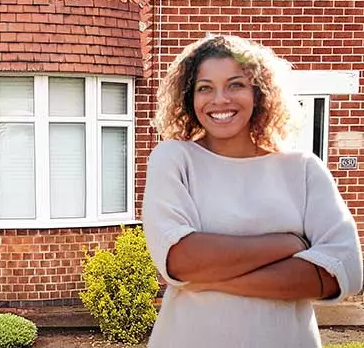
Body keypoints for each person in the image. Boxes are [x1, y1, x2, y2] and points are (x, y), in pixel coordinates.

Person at [143, 34, 363, 348]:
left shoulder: (302, 169)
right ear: (189, 97)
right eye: (205, 87)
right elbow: (180, 260)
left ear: (258, 93)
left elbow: (343, 272)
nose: (220, 99)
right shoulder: (174, 158)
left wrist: (212, 279)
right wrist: (287, 243)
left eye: (236, 84)